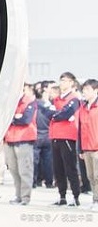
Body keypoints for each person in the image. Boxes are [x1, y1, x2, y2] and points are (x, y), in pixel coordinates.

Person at [47, 72, 81, 206]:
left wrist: (55, 114)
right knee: (58, 169)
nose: (62, 83)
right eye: (61, 80)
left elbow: (66, 114)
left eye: (65, 80)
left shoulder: (74, 98)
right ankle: (62, 196)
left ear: (72, 82)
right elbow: (47, 113)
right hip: (55, 136)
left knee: (70, 168)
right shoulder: (57, 99)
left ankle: (76, 196)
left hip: (67, 136)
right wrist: (57, 114)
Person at [4, 83, 37, 206]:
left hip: (24, 139)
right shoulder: (10, 102)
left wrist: (13, 119)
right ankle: (18, 195)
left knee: (25, 170)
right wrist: (15, 118)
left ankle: (25, 197)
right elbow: (5, 118)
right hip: (10, 139)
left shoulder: (29, 101)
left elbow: (25, 120)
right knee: (14, 170)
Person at [79, 79, 98, 211]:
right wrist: (80, 148)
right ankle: (95, 199)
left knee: (97, 176)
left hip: (96, 147)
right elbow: (80, 129)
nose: (84, 92)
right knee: (90, 176)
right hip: (86, 147)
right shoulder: (83, 107)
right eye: (83, 89)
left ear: (96, 90)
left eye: (87, 89)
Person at [34, 80, 54, 188]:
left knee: (38, 160)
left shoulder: (36, 103)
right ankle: (48, 182)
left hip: (41, 134)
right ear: (45, 89)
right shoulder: (50, 104)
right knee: (46, 160)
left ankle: (36, 180)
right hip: (45, 134)